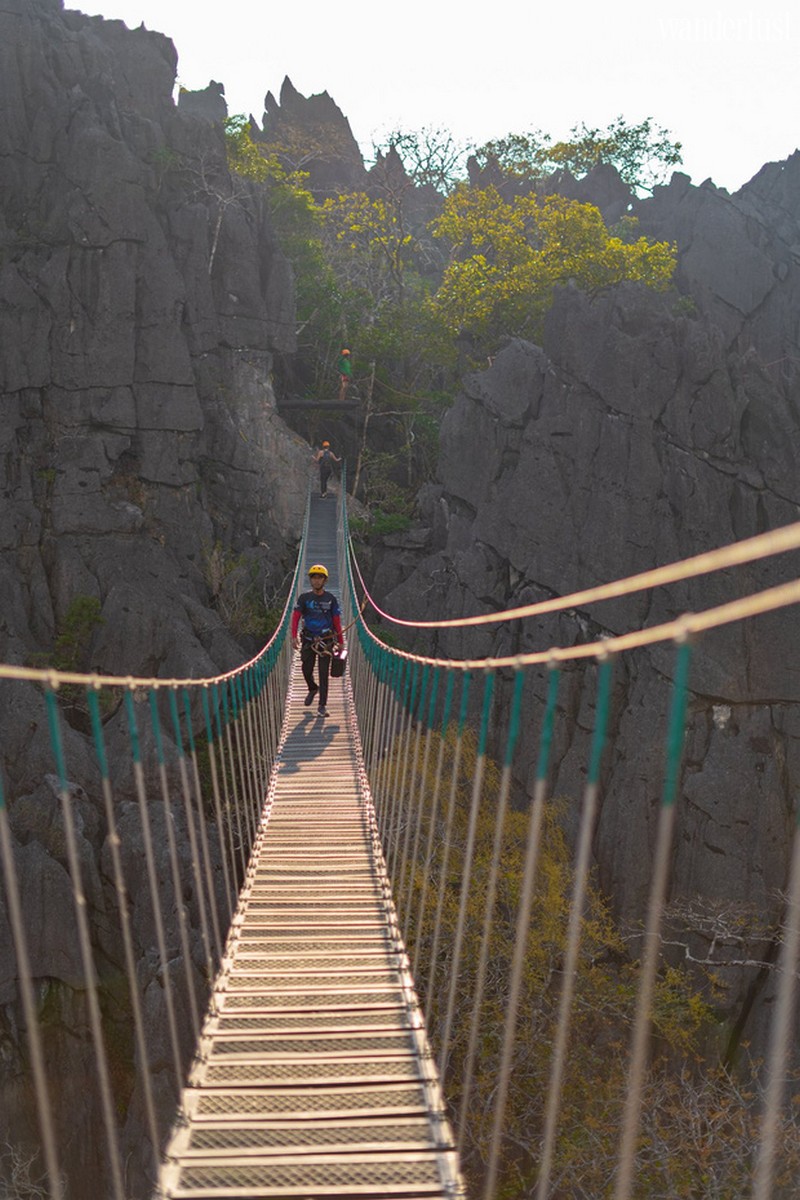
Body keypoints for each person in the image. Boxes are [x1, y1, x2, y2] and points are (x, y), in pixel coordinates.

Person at [291, 564, 344, 717]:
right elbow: (295, 618)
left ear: (324, 580)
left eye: (319, 577)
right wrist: (294, 636)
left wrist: (340, 641)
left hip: (326, 641)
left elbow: (337, 621)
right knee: (306, 670)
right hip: (308, 640)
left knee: (323, 673)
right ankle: (312, 688)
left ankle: (322, 705)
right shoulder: (304, 598)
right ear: (310, 580)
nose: (316, 580)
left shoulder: (331, 599)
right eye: (314, 577)